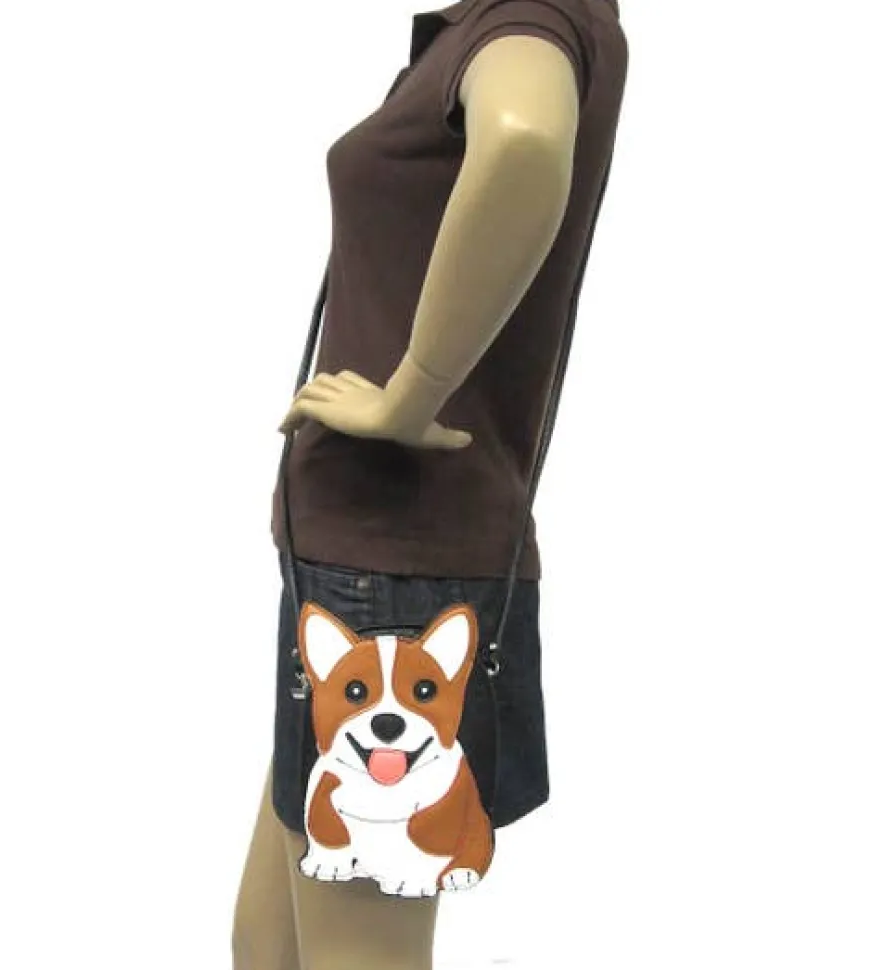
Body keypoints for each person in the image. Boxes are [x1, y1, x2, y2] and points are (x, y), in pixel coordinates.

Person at [232, 1, 628, 967]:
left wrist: (411, 396)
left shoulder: (527, 21)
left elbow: (526, 144)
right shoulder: (480, 27)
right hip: (359, 562)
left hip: (394, 574)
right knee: (272, 943)